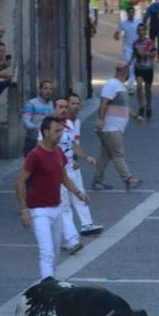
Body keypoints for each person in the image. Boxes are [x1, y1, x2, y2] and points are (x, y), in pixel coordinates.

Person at [16, 116, 90, 280]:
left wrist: (79, 194)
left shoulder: (58, 152)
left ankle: (51, 281)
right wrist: (24, 210)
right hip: (39, 211)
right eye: (57, 131)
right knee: (46, 252)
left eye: (62, 130)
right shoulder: (35, 155)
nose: (60, 134)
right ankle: (47, 287)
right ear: (46, 132)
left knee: (55, 253)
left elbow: (64, 178)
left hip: (56, 209)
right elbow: (20, 181)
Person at [54, 94, 102, 238]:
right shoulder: (50, 125)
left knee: (79, 192)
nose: (74, 107)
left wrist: (84, 157)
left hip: (71, 165)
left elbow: (73, 145)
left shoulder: (74, 123)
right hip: (59, 167)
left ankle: (87, 224)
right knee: (64, 203)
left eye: (76, 104)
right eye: (70, 104)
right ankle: (68, 236)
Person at [92, 63, 144, 190]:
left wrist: (136, 116)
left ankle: (98, 181)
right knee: (118, 154)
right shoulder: (112, 84)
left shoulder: (119, 86)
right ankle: (128, 179)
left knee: (105, 156)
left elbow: (124, 108)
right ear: (124, 71)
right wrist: (100, 118)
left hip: (113, 128)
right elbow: (104, 101)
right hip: (111, 128)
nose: (129, 75)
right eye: (128, 71)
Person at [21, 79, 56, 155]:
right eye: (45, 88)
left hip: (47, 141)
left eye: (50, 89)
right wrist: (37, 127)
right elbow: (26, 122)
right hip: (33, 141)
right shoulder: (31, 104)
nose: (48, 91)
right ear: (40, 90)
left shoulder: (51, 104)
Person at [132, 23, 158, 117]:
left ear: (145, 31)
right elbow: (134, 54)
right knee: (139, 85)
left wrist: (145, 53)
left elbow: (154, 54)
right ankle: (141, 106)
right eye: (139, 30)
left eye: (142, 30)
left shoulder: (150, 42)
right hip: (139, 67)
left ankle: (149, 106)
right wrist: (129, 63)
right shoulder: (135, 43)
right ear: (137, 32)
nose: (141, 32)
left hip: (148, 68)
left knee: (147, 88)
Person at [116, 6, 140, 87]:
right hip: (127, 48)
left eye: (132, 12)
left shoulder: (139, 22)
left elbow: (143, 32)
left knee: (136, 66)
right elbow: (117, 34)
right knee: (131, 65)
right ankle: (131, 86)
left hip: (137, 48)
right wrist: (117, 35)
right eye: (129, 13)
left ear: (134, 13)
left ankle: (132, 80)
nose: (131, 14)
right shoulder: (123, 23)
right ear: (127, 14)